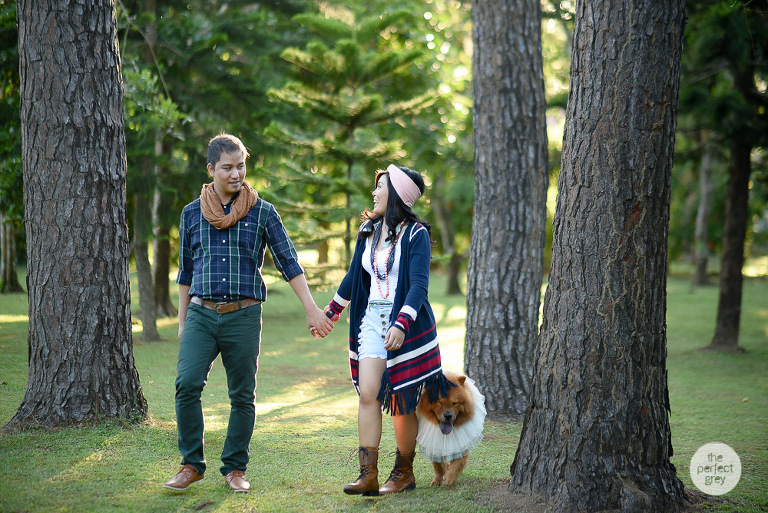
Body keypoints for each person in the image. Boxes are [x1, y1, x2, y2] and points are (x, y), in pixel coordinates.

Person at [163, 134, 333, 493]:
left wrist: (312, 310)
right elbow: (185, 272)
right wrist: (181, 322)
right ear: (211, 169)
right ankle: (191, 464)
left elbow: (289, 263)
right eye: (227, 167)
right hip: (201, 314)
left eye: (241, 165)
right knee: (186, 385)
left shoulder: (263, 212)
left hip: (243, 315)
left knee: (242, 394)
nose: (236, 173)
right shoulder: (191, 213)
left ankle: (235, 468)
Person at [324, 164, 452, 496]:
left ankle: (404, 473)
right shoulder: (367, 231)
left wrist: (402, 323)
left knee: (401, 401)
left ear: (395, 193)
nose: (375, 192)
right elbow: (355, 276)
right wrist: (332, 311)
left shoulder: (416, 234)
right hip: (370, 321)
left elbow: (419, 286)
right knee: (368, 393)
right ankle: (368, 474)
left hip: (404, 327)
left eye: (380, 187)